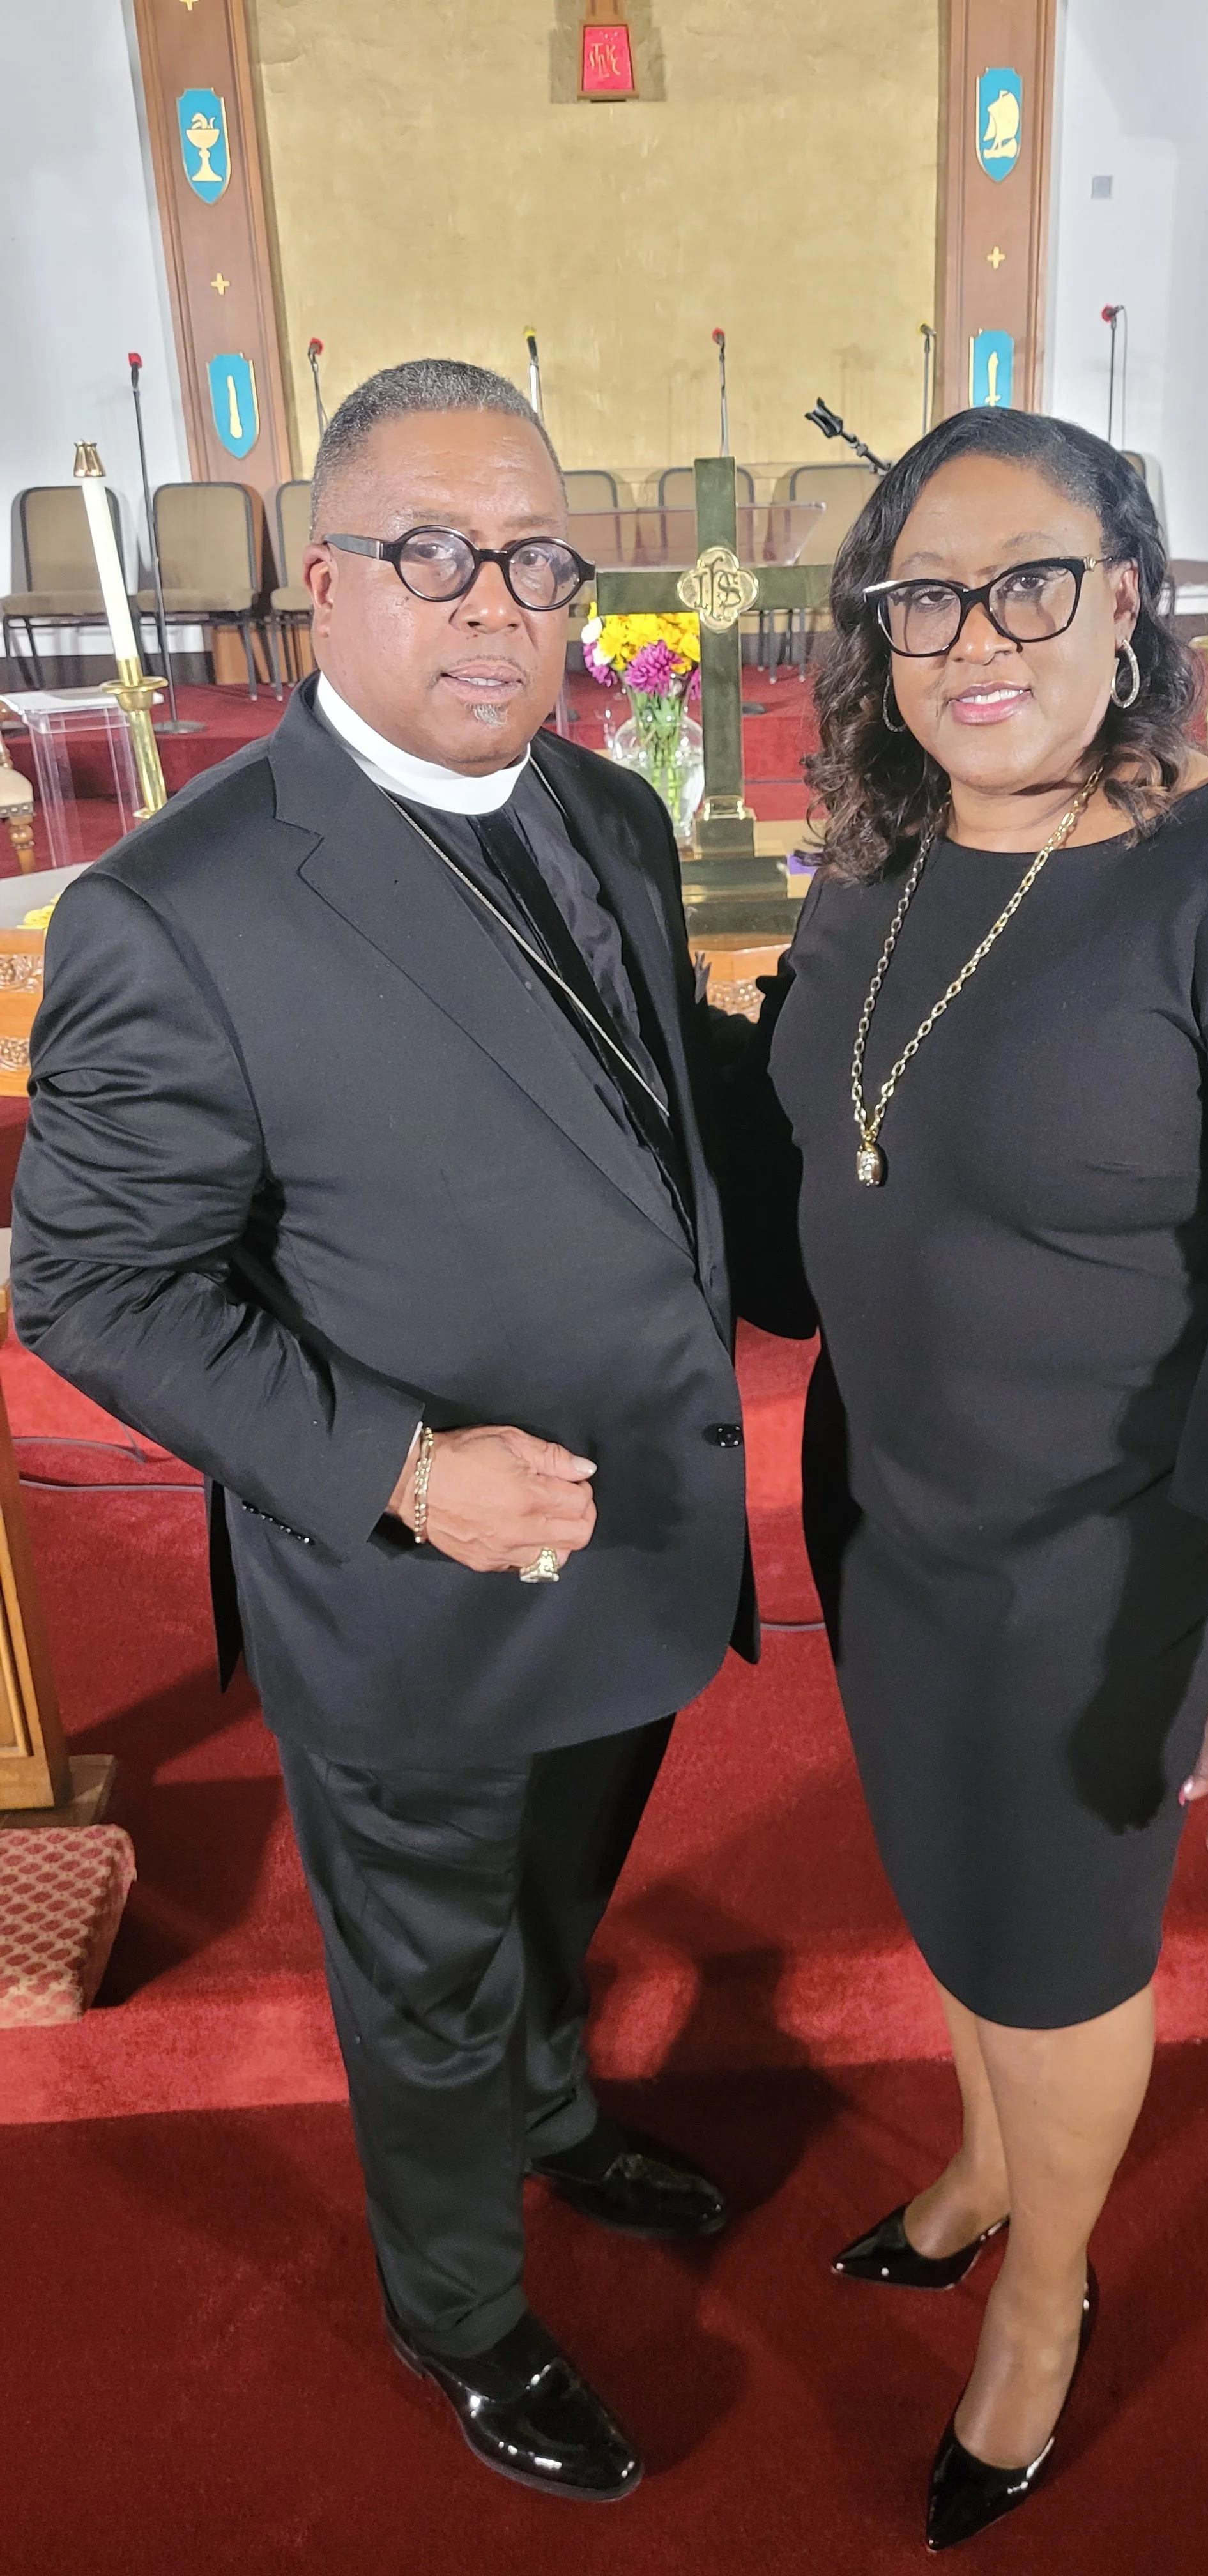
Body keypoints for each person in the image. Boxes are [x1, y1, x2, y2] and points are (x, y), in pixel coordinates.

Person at [11, 359, 756, 2506]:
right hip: (409, 1571)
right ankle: (460, 2309)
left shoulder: (607, 812)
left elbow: (651, 1131)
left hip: (633, 1518)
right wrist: (409, 1471)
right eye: (432, 554)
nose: (493, 603)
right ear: (323, 585)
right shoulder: (181, 909)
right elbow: (92, 1286)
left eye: (533, 557)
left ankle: (554, 2107)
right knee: (423, 1971)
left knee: (558, 1890)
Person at [752, 408, 1208, 2549]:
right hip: (893, 1508)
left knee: (1054, 1952)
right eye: (925, 599)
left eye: (1029, 583)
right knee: (951, 1887)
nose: (976, 639)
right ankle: (983, 2169)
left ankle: (1042, 2294)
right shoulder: (879, 872)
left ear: (1126, 599)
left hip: (1107, 1554)